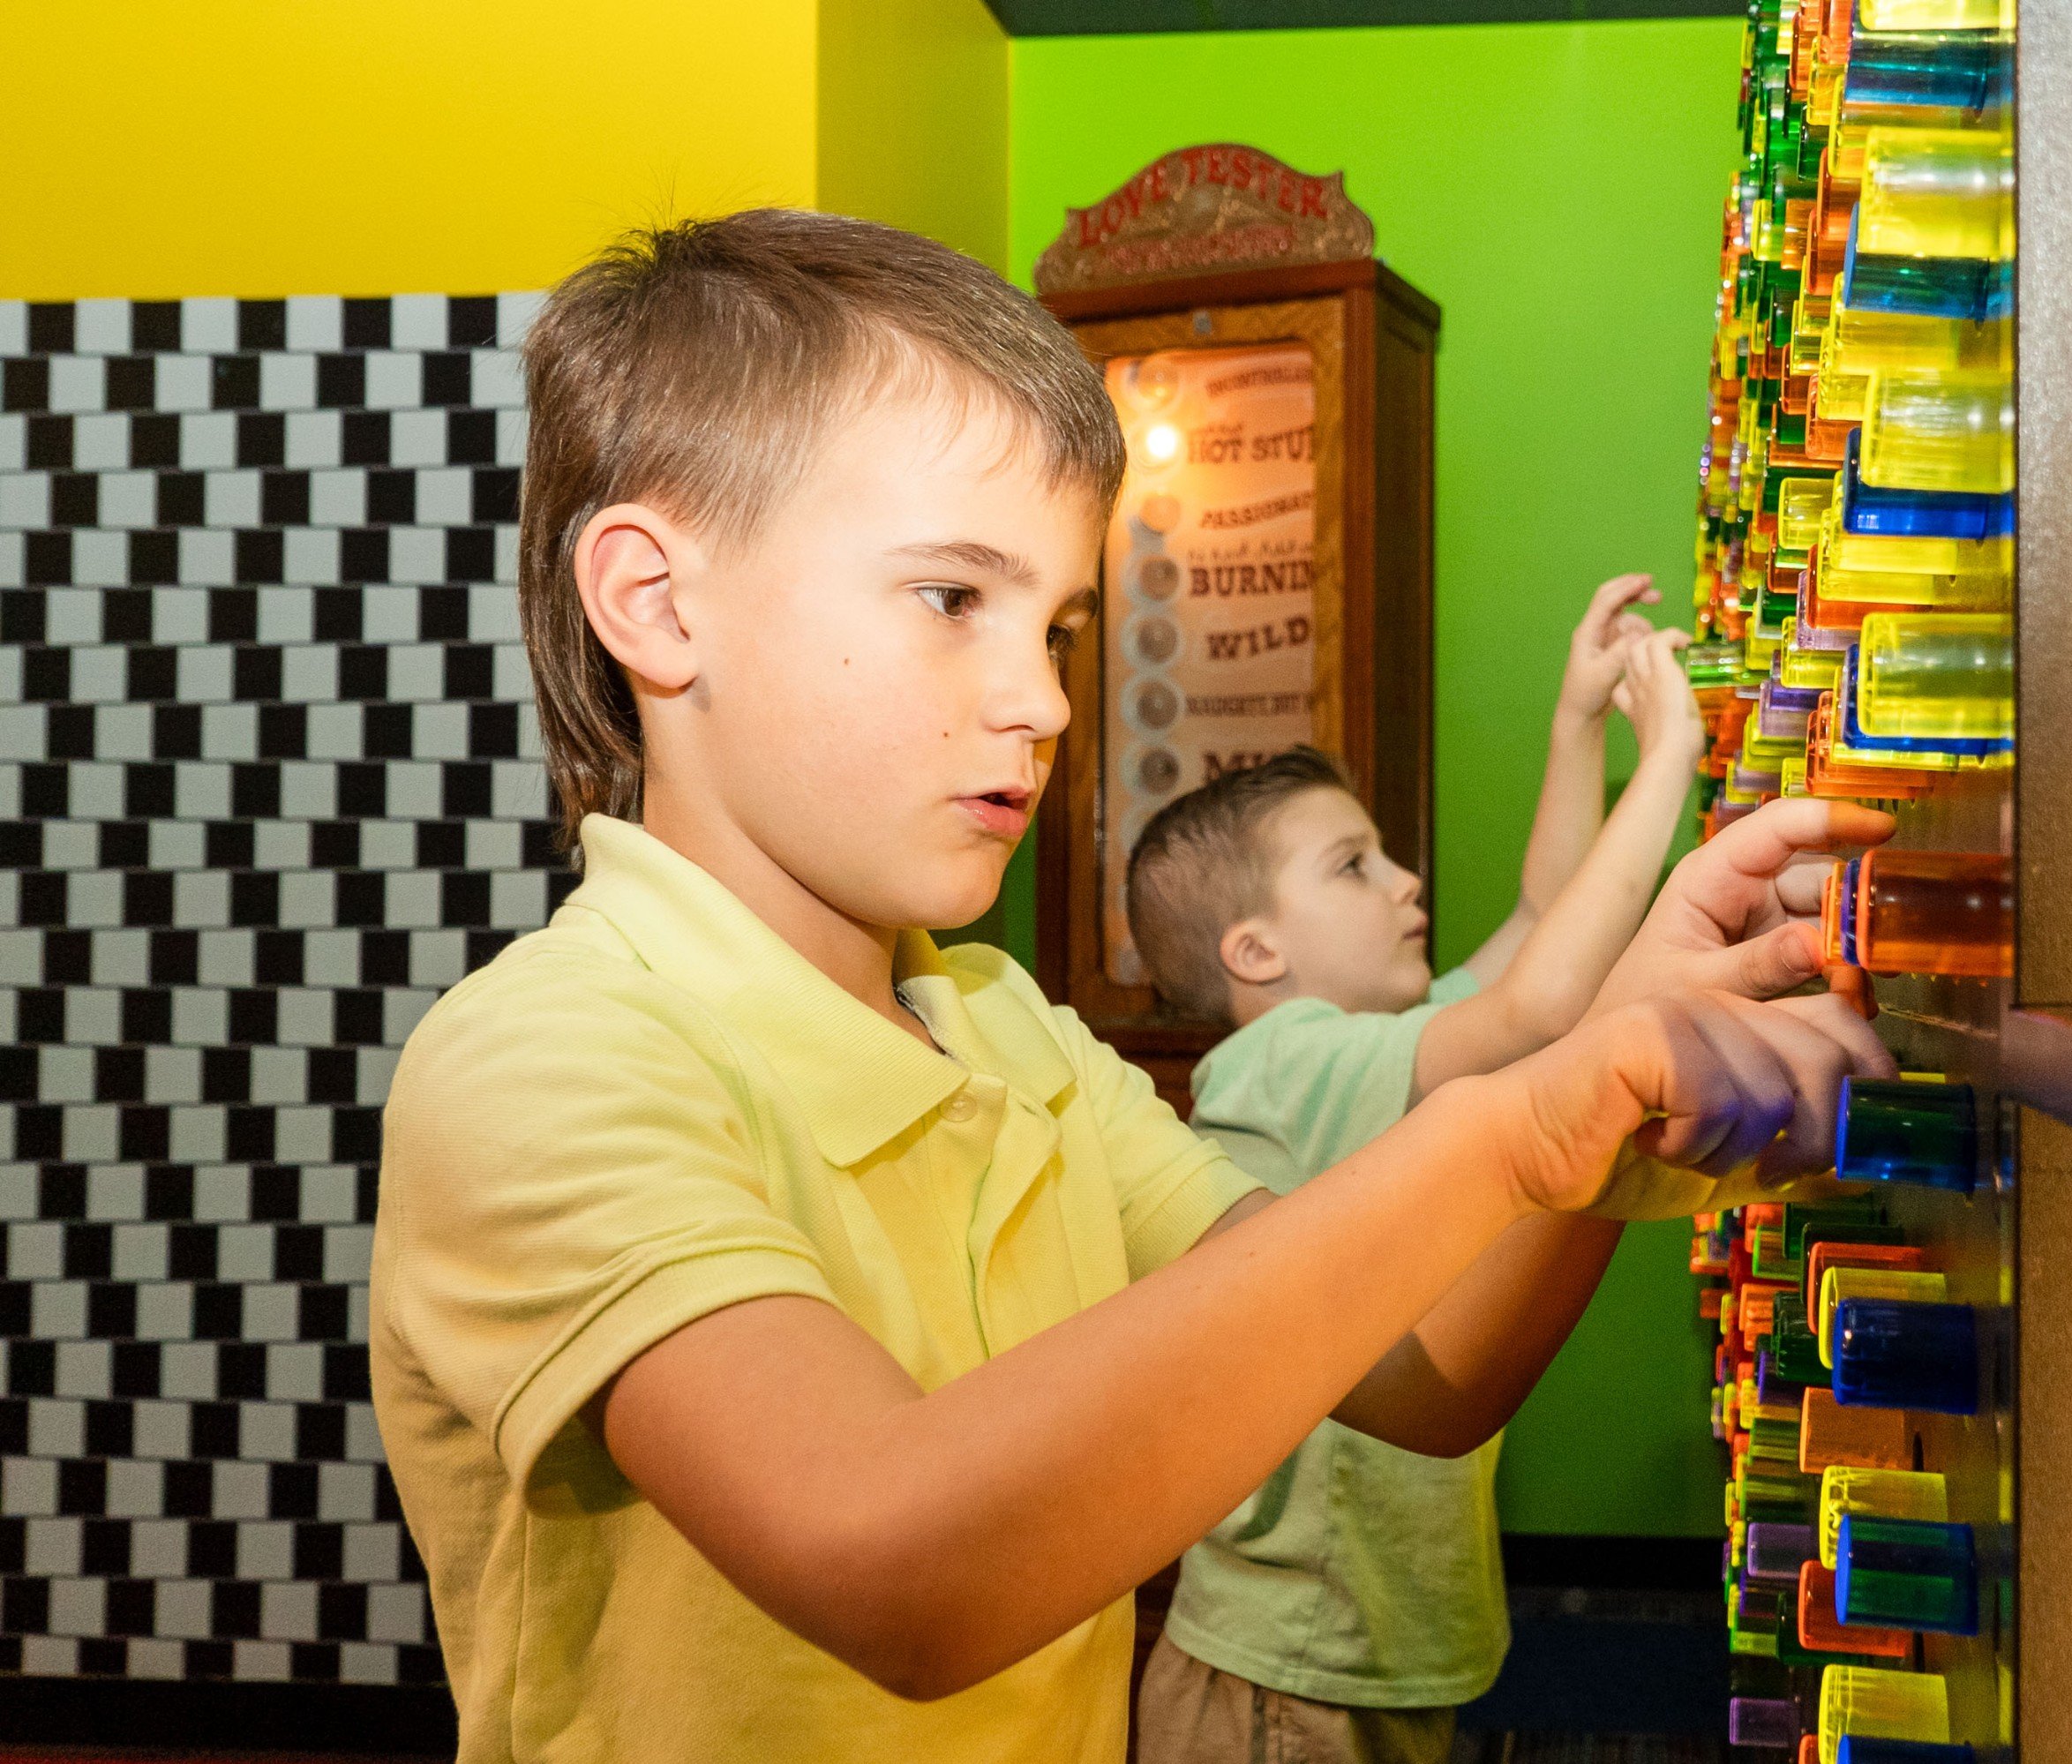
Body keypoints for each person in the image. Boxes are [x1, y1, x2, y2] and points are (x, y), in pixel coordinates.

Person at [367, 207, 1893, 1764]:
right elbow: (900, 1565)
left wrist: (1619, 1083)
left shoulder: (1006, 1030)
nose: (1042, 701)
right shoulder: (543, 1059)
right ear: (654, 600)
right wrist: (1512, 1128)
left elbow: (1417, 1375)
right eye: (952, 599)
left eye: (1058, 628)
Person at [1122, 593, 1888, 1764]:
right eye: (1354, 866)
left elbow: (1542, 920)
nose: (1404, 882)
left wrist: (1579, 724)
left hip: (1362, 1645)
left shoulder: (1393, 1042)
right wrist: (1667, 756)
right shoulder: (1277, 1065)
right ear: (1255, 953)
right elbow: (1543, 1002)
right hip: (1284, 1671)